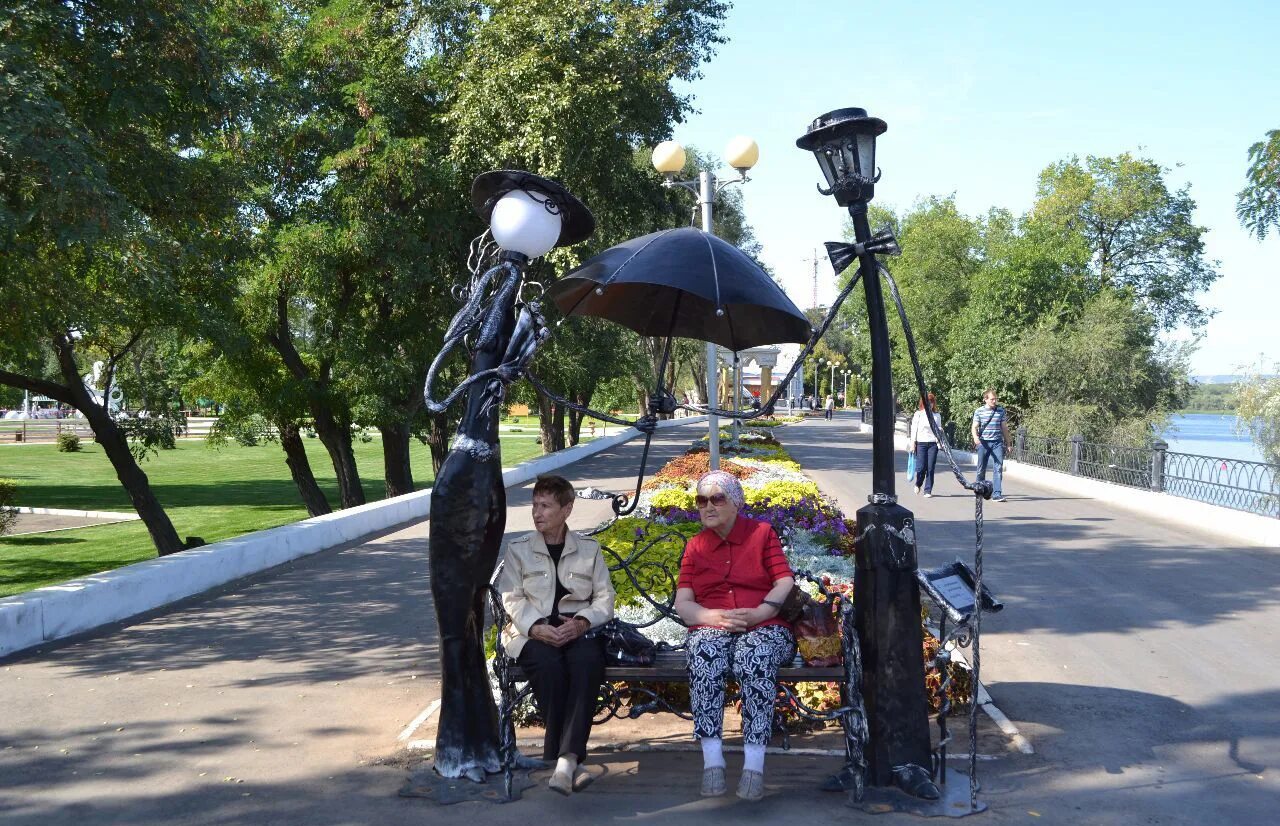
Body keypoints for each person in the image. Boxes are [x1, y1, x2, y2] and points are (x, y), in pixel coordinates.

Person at [674, 471, 796, 802]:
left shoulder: (761, 534)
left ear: (736, 503)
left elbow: (784, 581)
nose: (708, 506)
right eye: (701, 500)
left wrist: (761, 612)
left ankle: (754, 766)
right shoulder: (696, 546)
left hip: (765, 624)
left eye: (717, 498)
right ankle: (712, 761)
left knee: (754, 656)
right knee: (703, 652)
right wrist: (709, 617)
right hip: (712, 626)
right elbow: (683, 602)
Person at [497, 475, 615, 795]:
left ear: (567, 509)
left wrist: (582, 622)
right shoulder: (519, 550)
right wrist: (535, 626)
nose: (537, 513)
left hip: (577, 631)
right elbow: (511, 597)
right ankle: (570, 761)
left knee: (587, 663)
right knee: (547, 664)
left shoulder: (588, 550)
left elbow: (605, 598)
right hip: (532, 634)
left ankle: (564, 760)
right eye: (535, 505)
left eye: (546, 506)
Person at [971, 389, 1011, 502]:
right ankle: (979, 491)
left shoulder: (1000, 411)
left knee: (998, 467)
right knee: (981, 468)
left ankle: (997, 494)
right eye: (992, 399)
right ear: (985, 399)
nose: (994, 401)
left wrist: (1008, 443)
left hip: (997, 442)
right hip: (983, 442)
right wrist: (975, 437)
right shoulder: (979, 411)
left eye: (995, 399)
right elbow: (974, 427)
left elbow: (1004, 428)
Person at [909, 393, 943, 497]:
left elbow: (939, 429)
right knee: (921, 468)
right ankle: (918, 483)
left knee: (930, 467)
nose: (930, 404)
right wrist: (912, 443)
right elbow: (914, 430)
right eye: (928, 402)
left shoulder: (937, 416)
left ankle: (928, 490)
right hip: (921, 444)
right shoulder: (918, 414)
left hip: (933, 444)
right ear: (924, 403)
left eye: (932, 402)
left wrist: (940, 430)